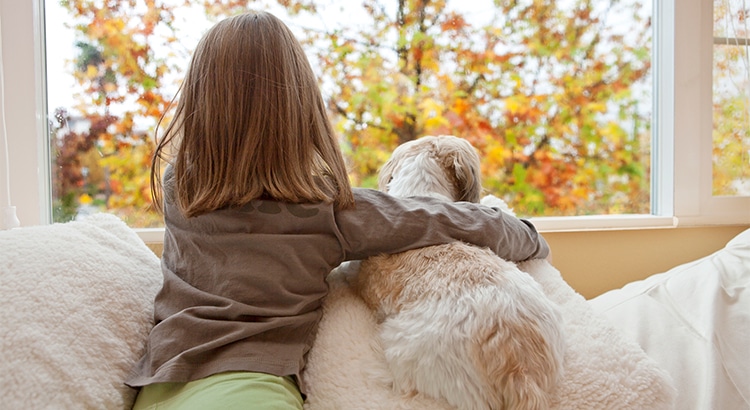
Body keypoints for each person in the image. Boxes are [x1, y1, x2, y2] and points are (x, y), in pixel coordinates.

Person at [126, 10, 550, 410]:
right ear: (300, 108)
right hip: (252, 390)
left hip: (158, 384)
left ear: (201, 103)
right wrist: (528, 236)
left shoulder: (181, 191)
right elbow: (441, 218)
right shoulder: (327, 210)